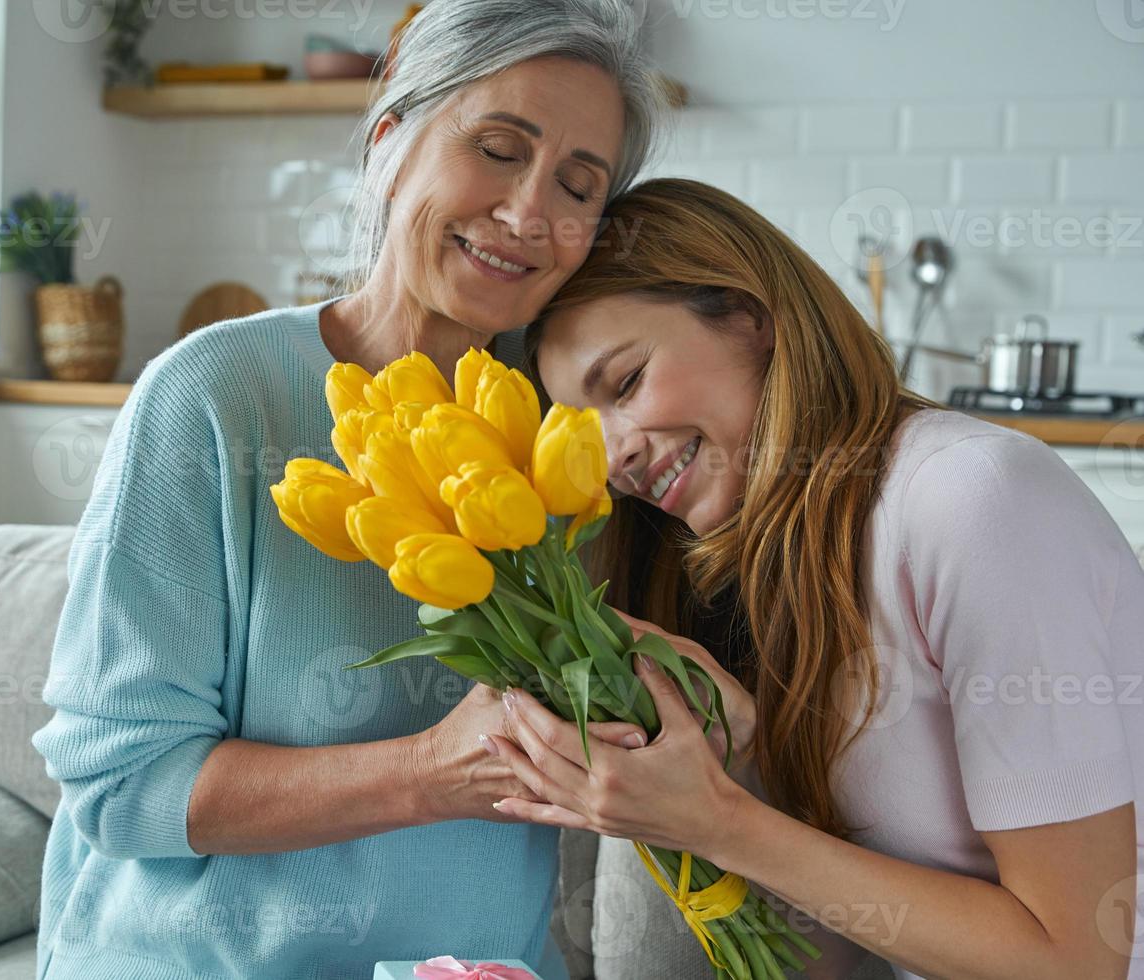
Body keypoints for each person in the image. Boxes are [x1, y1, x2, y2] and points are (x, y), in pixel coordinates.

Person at [29, 3, 667, 978]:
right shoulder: (212, 396)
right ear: (386, 146)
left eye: (578, 186)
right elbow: (124, 786)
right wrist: (432, 772)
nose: (531, 211)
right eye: (498, 148)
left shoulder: (576, 438)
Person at [489, 177, 1143, 979]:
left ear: (749, 317)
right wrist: (740, 764)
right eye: (582, 430)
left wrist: (722, 819)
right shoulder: (781, 549)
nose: (613, 455)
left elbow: (1077, 962)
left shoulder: (972, 498)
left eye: (625, 384)